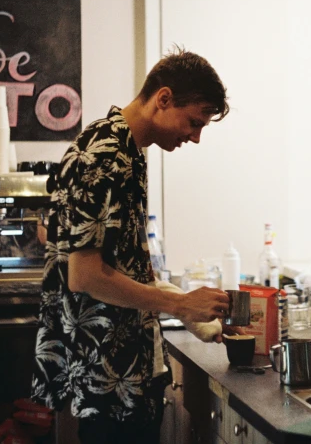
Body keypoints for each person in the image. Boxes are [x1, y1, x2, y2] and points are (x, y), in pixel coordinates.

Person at [31, 49, 232, 443]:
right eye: (193, 122)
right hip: (108, 376)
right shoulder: (105, 156)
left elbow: (111, 258)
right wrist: (179, 305)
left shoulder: (126, 149)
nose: (195, 137)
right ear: (164, 99)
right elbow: (85, 276)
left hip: (121, 368)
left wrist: (187, 308)